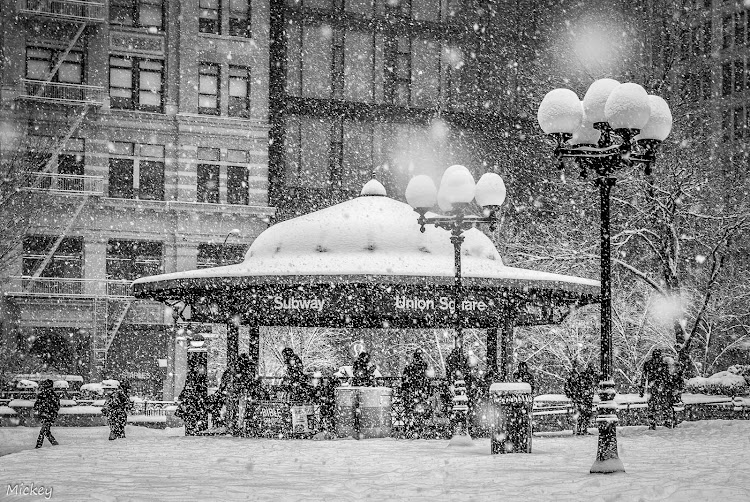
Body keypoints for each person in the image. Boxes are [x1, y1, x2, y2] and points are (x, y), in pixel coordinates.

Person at [640, 348, 671, 430]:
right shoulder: (663, 364)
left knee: (652, 406)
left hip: (653, 387)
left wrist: (642, 388)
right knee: (664, 405)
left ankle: (653, 424)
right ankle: (666, 422)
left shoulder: (648, 364)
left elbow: (643, 377)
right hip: (661, 387)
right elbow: (667, 377)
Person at [401, 349, 430, 437]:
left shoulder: (409, 367)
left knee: (410, 411)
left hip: (411, 392)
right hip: (421, 392)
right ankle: (420, 428)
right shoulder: (424, 367)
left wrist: (405, 390)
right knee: (421, 411)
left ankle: (409, 428)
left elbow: (404, 380)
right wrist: (427, 391)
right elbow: (427, 380)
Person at [564, 361, 597, 435]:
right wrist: (572, 394)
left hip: (584, 397)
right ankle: (581, 429)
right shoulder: (581, 376)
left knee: (584, 413)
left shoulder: (583, 376)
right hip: (583, 398)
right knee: (583, 413)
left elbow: (569, 386)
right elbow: (570, 386)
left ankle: (582, 429)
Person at [33, 379, 60, 448]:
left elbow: (36, 405)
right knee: (46, 431)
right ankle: (55, 444)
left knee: (43, 430)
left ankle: (38, 446)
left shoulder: (44, 395)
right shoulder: (52, 395)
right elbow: (57, 406)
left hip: (47, 415)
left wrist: (43, 408)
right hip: (49, 415)